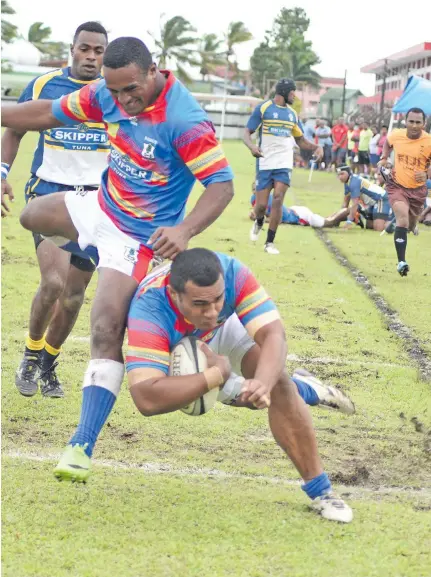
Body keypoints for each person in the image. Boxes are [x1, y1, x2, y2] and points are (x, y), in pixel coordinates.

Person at [1, 37, 234, 479]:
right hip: (102, 207)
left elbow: (222, 185)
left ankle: (80, 446)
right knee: (32, 215)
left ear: (153, 71)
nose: (124, 100)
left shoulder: (183, 120)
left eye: (131, 90)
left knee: (106, 326)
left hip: (139, 239)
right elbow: (46, 114)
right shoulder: (106, 93)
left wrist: (184, 230)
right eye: (115, 90)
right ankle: (93, 254)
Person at [125, 248, 354, 522]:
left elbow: (274, 335)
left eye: (218, 300)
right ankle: (308, 388)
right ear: (175, 295)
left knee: (277, 384)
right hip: (178, 351)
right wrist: (215, 374)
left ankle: (322, 491)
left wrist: (263, 382)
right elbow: (146, 398)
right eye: (200, 303)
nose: (211, 311)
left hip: (225, 330)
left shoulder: (233, 273)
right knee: (246, 400)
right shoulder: (149, 308)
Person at [1, 22, 109, 399]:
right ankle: (30, 355)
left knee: (75, 297)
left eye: (98, 51)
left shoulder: (113, 94)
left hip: (97, 203)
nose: (91, 57)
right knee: (53, 283)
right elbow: (14, 127)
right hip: (50, 194)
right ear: (72, 49)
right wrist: (2, 172)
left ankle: (49, 362)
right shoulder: (45, 85)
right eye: (85, 49)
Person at [243, 78, 323, 255]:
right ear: (284, 92)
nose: (294, 95)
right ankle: (258, 222)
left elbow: (300, 140)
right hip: (264, 162)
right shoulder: (264, 109)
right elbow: (246, 133)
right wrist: (252, 147)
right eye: (293, 92)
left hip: (284, 163)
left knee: (278, 198)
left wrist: (317, 147)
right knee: (262, 207)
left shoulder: (292, 115)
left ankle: (269, 243)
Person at [378, 107, 431, 276]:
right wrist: (384, 158)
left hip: (418, 190)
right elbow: (387, 143)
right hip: (397, 185)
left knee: (411, 222)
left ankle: (413, 225)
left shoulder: (429, 141)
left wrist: (426, 173)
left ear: (424, 123)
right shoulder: (397, 135)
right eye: (411, 121)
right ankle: (401, 262)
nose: (414, 126)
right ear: (405, 122)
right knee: (402, 220)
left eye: (418, 122)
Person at [249, 189, 349, 228]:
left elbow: (276, 220)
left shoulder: (270, 202)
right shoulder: (255, 198)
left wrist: (259, 218)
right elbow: (256, 211)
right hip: (294, 210)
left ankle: (351, 211)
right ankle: (342, 215)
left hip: (299, 215)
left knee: (326, 223)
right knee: (327, 220)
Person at [337, 166, 392, 232]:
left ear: (348, 173)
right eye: (338, 174)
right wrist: (339, 217)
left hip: (381, 199)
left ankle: (396, 223)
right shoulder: (347, 183)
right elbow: (345, 202)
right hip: (372, 203)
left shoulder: (354, 182)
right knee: (369, 226)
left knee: (379, 229)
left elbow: (355, 204)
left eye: (342, 174)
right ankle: (357, 216)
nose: (340, 177)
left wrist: (349, 221)